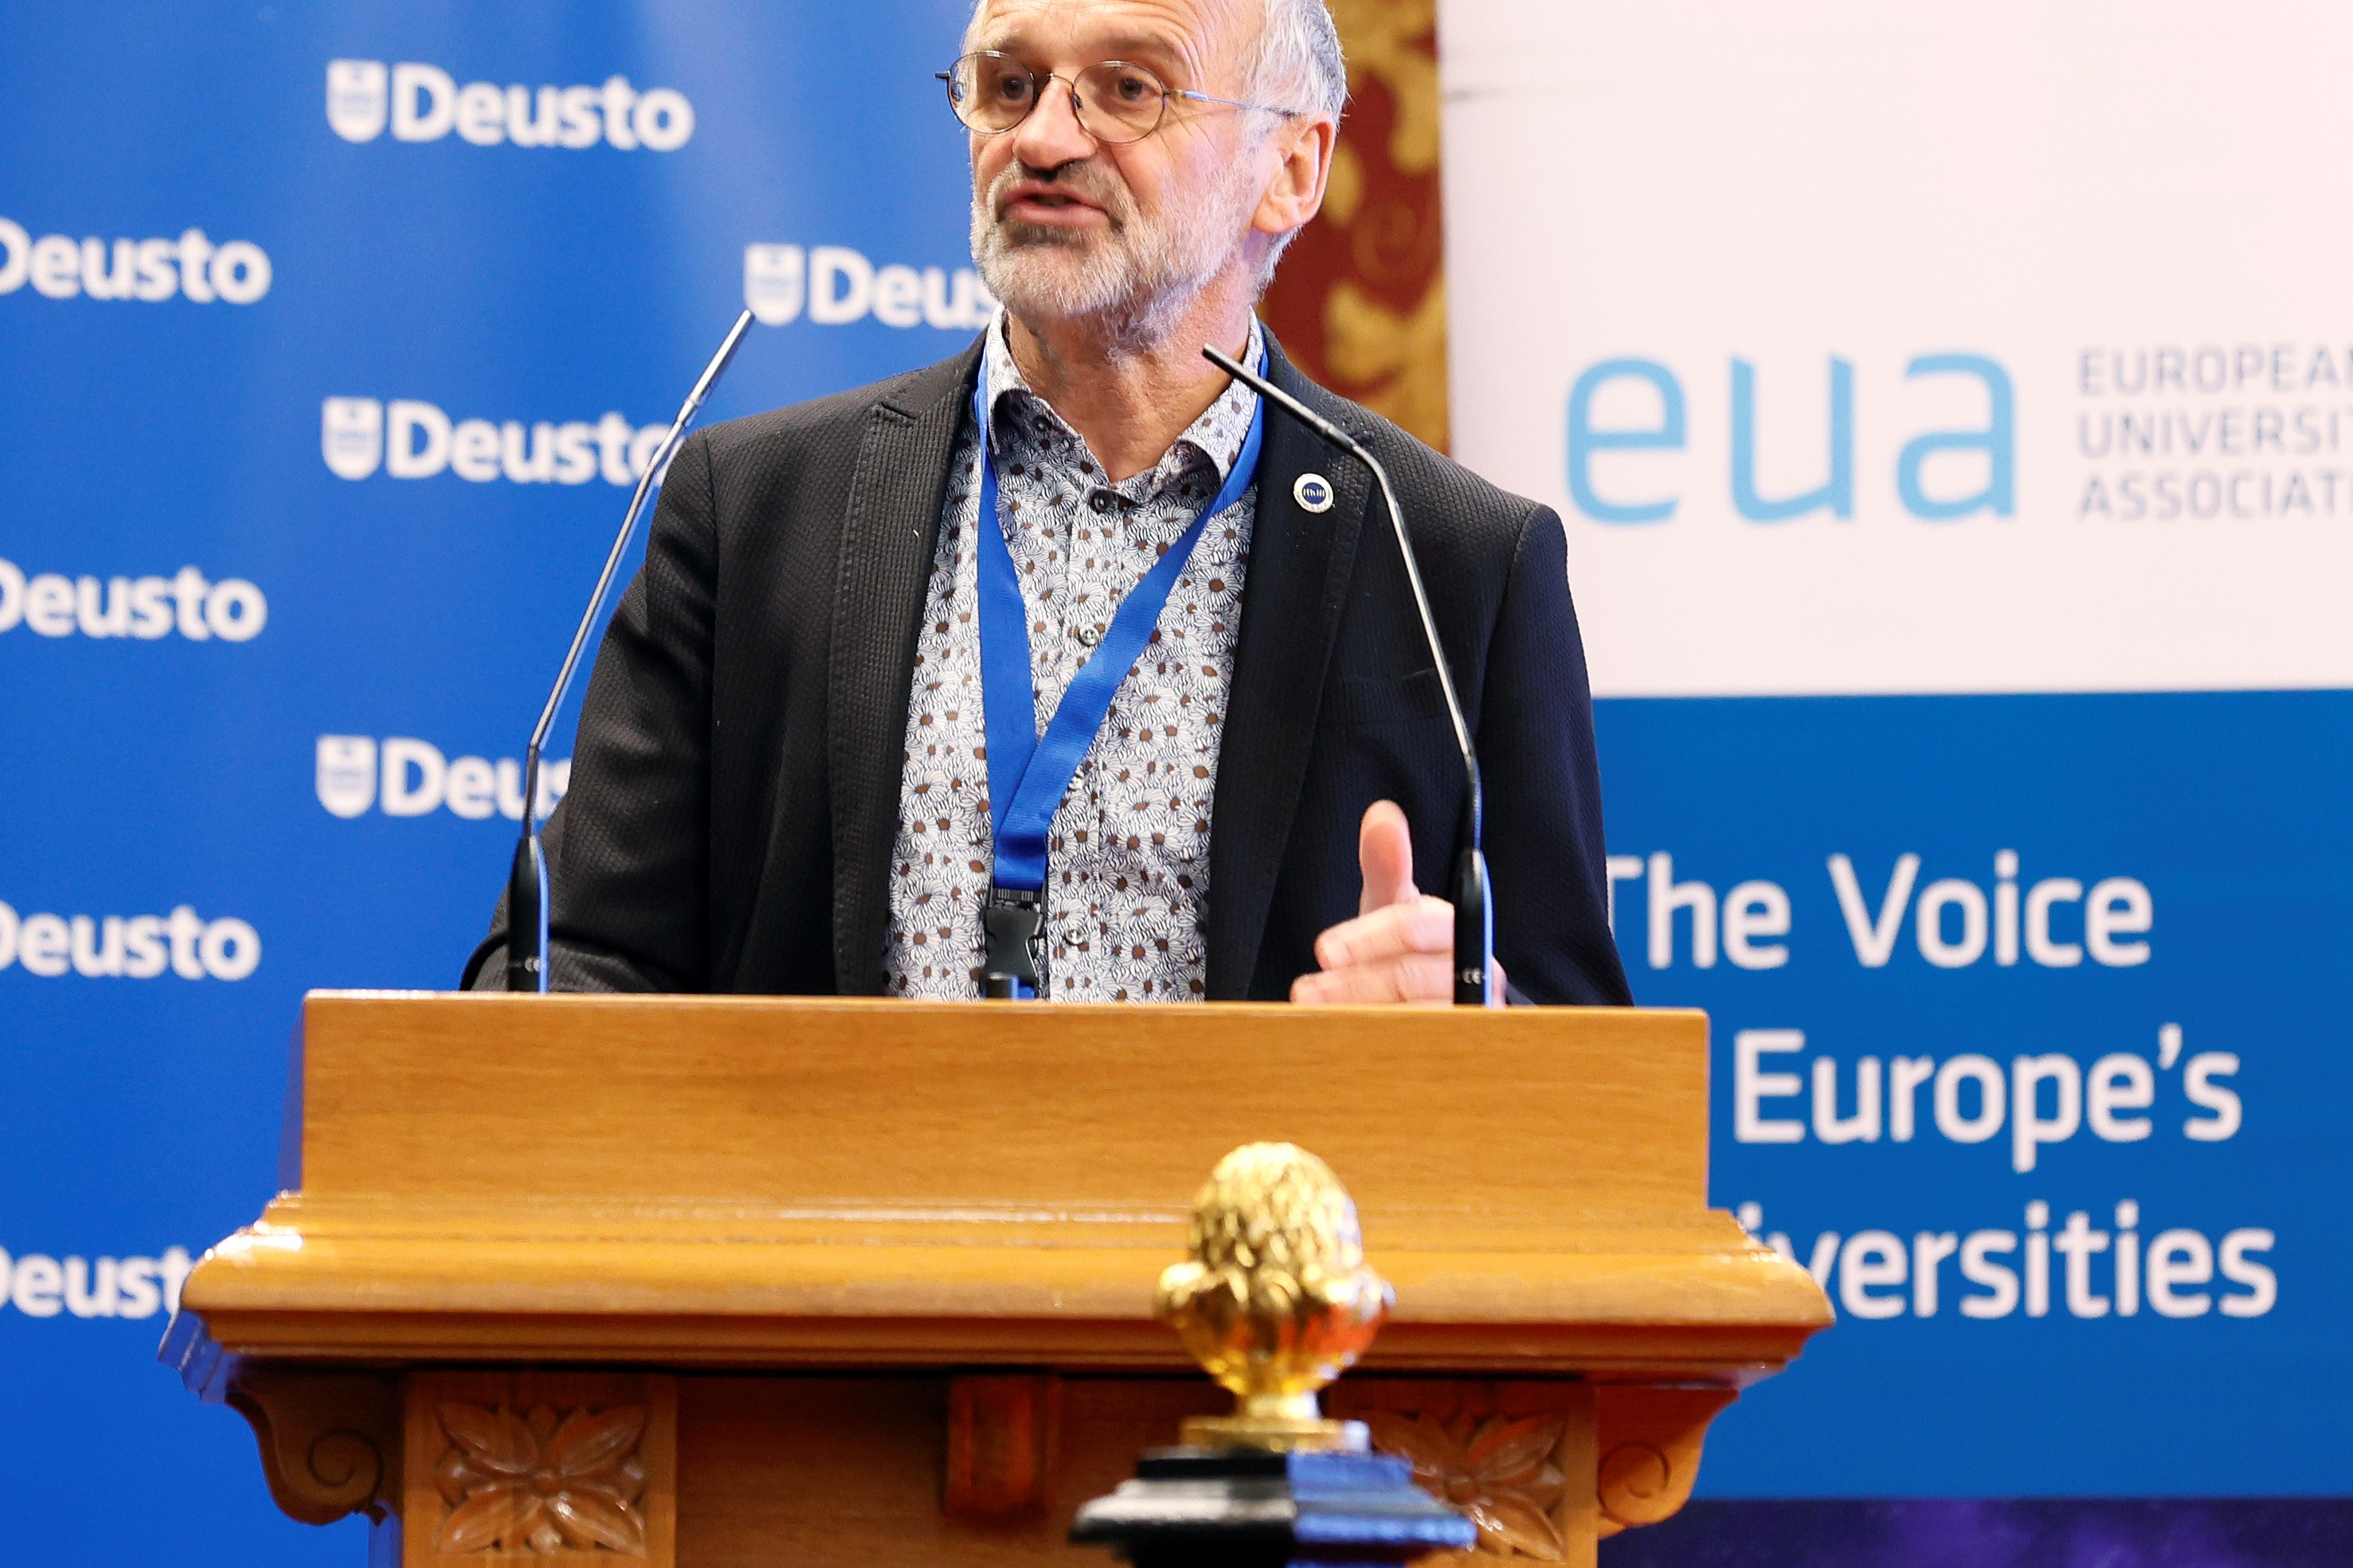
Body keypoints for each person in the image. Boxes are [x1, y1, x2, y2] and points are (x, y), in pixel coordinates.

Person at [462, 0, 1630, 1007]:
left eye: (1128, 88)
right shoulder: (758, 511)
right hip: (844, 1254)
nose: (1044, 137)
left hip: (1242, 1263)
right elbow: (579, 954)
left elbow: (1582, 1069)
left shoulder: (1453, 563)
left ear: (1292, 168)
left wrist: (1476, 1016)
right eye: (1008, 85)